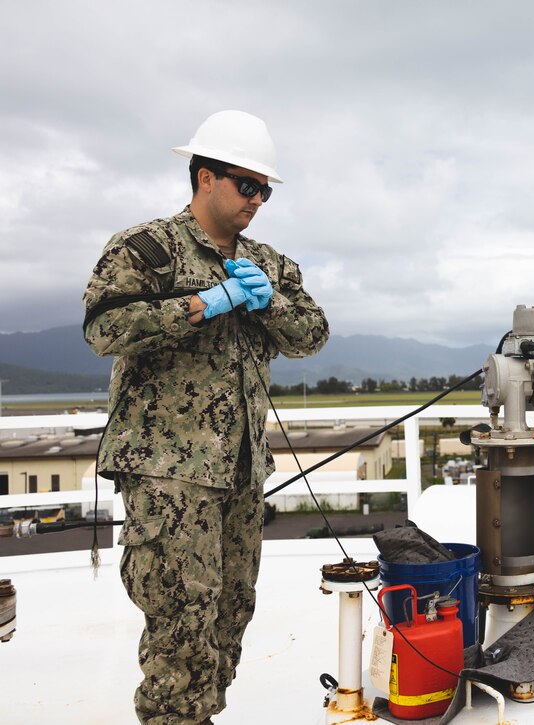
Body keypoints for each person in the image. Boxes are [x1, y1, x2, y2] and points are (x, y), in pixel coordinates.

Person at [83, 110, 329, 725]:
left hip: (240, 473)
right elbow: (103, 328)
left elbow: (312, 334)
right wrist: (199, 305)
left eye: (265, 191)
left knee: (228, 618)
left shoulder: (268, 263)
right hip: (170, 474)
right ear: (205, 178)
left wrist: (268, 305)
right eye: (247, 186)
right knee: (178, 626)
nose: (257, 201)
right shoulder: (146, 250)